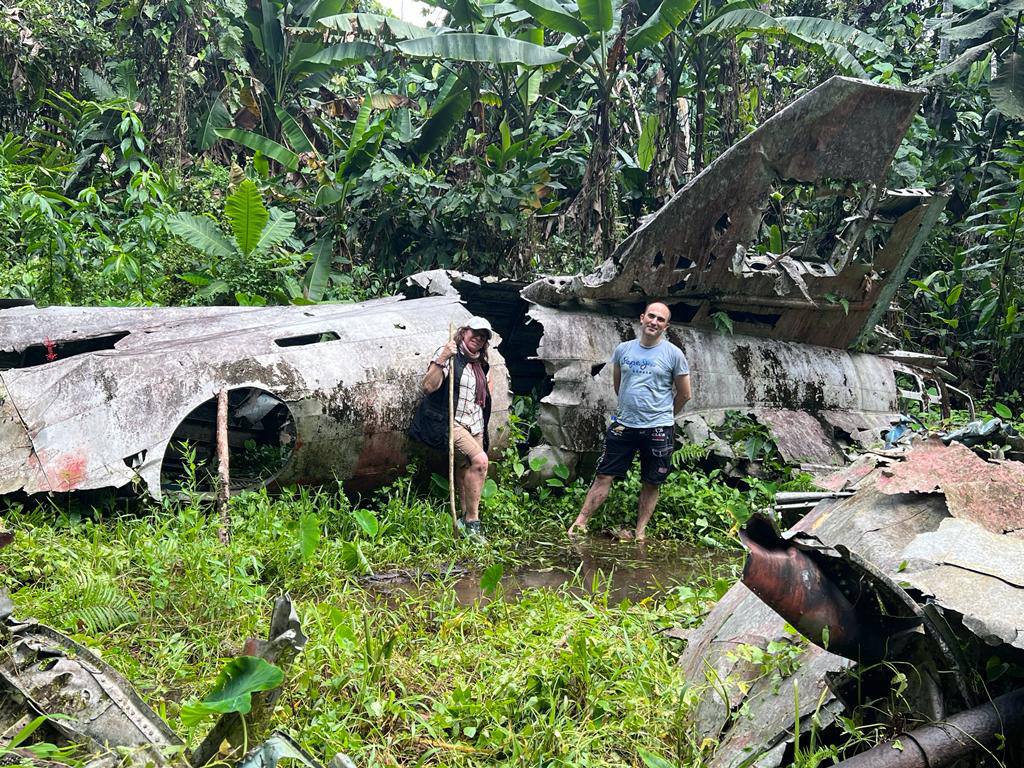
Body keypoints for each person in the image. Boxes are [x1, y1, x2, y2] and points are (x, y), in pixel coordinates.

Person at [567, 302, 691, 541]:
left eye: (660, 319)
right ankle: (581, 522)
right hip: (624, 424)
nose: (654, 322)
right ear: (642, 318)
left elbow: (685, 394)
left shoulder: (674, 354)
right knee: (604, 475)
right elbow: (618, 384)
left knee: (651, 481)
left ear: (666, 326)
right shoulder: (624, 350)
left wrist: (665, 416)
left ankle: (640, 531)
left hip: (658, 427)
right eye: (651, 317)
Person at [409, 316, 495, 542]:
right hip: (451, 422)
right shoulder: (449, 354)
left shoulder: (481, 363)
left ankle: (464, 518)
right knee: (481, 461)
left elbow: (482, 395)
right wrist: (442, 358)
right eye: (475, 332)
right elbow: (429, 386)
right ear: (464, 331)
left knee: (465, 467)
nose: (478, 337)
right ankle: (473, 522)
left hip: (474, 423)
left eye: (484, 335)